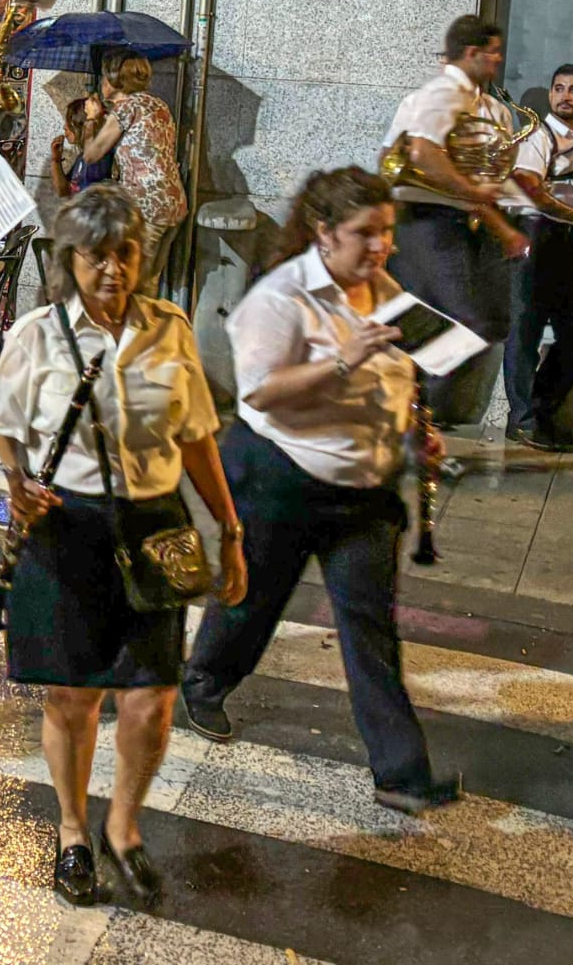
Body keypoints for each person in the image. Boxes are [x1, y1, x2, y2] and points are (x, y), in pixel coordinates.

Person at [0, 183, 245, 906]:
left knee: (152, 697)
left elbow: (195, 436)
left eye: (125, 254)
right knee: (72, 696)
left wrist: (230, 528)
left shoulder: (171, 329)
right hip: (67, 526)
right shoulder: (38, 333)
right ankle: (73, 829)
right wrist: (15, 479)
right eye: (97, 256)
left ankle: (123, 825)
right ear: (71, 260)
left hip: (155, 525)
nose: (112, 271)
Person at [179, 167, 459, 815]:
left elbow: (402, 377)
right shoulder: (279, 299)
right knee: (256, 600)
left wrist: (420, 433)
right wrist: (343, 358)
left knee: (370, 628)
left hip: (362, 485)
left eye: (387, 232)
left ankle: (401, 772)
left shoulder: (383, 290)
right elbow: (259, 392)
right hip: (280, 473)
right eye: (365, 233)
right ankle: (203, 679)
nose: (381, 246)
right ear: (325, 233)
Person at [381, 16, 547, 425]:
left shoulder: (485, 107)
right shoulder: (442, 93)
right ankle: (411, 411)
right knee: (465, 324)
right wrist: (474, 192)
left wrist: (504, 228)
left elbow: (480, 181)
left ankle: (407, 406)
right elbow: (422, 153)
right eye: (492, 53)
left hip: (457, 224)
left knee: (484, 322)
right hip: (424, 219)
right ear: (471, 53)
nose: (498, 60)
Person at [504, 63, 573, 451]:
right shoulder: (538, 136)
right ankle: (522, 421)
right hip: (537, 235)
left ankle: (539, 412)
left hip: (567, 244)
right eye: (558, 88)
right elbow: (526, 184)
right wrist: (572, 215)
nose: (564, 96)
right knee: (525, 331)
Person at [77, 49, 186, 293]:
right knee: (150, 282)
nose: (102, 83)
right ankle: (147, 326)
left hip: (146, 206)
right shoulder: (158, 104)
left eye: (104, 77)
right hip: (173, 203)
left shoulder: (126, 108)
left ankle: (135, 328)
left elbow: (91, 155)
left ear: (114, 81)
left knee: (132, 284)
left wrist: (91, 119)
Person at [49, 94, 113, 199]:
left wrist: (92, 117)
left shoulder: (99, 156)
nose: (65, 127)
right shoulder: (81, 158)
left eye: (70, 121)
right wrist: (56, 160)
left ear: (82, 124)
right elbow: (63, 191)